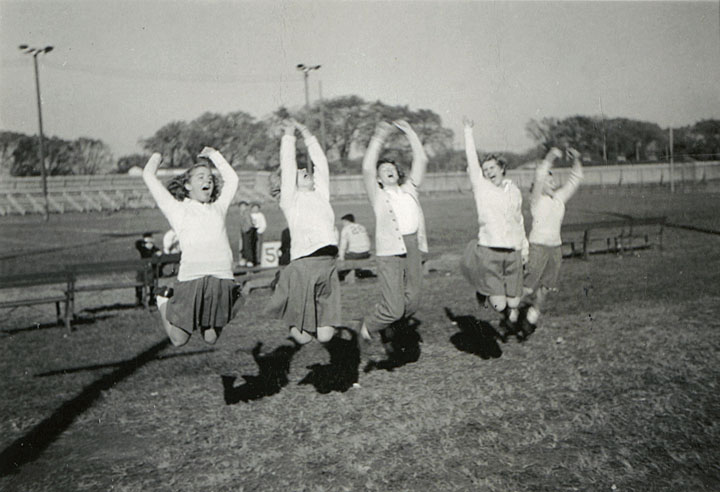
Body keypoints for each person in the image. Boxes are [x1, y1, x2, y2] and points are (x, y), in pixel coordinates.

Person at [142, 146, 241, 347]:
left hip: (221, 277)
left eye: (210, 179)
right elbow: (148, 175)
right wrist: (157, 156)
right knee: (178, 340)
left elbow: (233, 180)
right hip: (192, 277)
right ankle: (162, 301)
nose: (208, 181)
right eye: (201, 177)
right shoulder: (178, 209)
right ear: (187, 186)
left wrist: (215, 156)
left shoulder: (218, 208)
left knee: (211, 338)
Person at [265, 119, 340, 345]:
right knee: (303, 338)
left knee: (326, 335)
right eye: (299, 172)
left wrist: (307, 133)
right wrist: (289, 136)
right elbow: (287, 166)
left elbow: (321, 164)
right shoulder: (291, 200)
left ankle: (293, 295)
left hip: (328, 264)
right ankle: (286, 294)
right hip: (304, 264)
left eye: (304, 169)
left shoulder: (321, 194)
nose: (304, 170)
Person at [358, 120, 428, 345]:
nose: (388, 171)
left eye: (391, 169)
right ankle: (367, 328)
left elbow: (422, 159)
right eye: (383, 170)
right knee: (394, 307)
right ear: (378, 179)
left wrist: (409, 131)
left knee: (413, 301)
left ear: (398, 174)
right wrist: (378, 137)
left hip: (413, 248)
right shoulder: (378, 195)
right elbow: (367, 167)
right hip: (390, 253)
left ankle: (391, 326)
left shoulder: (410, 190)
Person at [460, 118, 529, 339]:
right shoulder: (481, 188)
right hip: (490, 249)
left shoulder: (514, 191)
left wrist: (524, 249)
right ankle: (484, 290)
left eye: (492, 168)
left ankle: (502, 305)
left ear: (501, 169)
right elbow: (471, 157)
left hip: (513, 251)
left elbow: (519, 222)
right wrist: (468, 131)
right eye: (485, 169)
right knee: (499, 306)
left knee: (515, 302)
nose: (488, 172)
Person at [523, 147, 584, 334]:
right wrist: (550, 157)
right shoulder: (536, 200)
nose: (553, 182)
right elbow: (540, 174)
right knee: (527, 287)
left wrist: (577, 160)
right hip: (538, 247)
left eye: (553, 179)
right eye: (549, 180)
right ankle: (513, 313)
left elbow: (575, 180)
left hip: (555, 248)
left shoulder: (559, 199)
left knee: (547, 286)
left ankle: (533, 314)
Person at [134, 232, 161, 306]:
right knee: (142, 281)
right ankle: (140, 299)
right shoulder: (142, 247)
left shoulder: (153, 248)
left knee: (150, 280)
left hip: (148, 270)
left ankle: (151, 299)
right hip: (143, 270)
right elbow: (137, 244)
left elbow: (159, 253)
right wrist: (145, 243)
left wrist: (155, 250)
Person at [237, 201, 256, 267]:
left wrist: (247, 230)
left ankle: (249, 260)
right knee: (244, 245)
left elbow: (249, 223)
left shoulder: (246, 213)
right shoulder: (241, 213)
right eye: (240, 207)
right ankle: (244, 259)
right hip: (244, 231)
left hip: (247, 231)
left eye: (243, 206)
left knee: (247, 246)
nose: (241, 208)